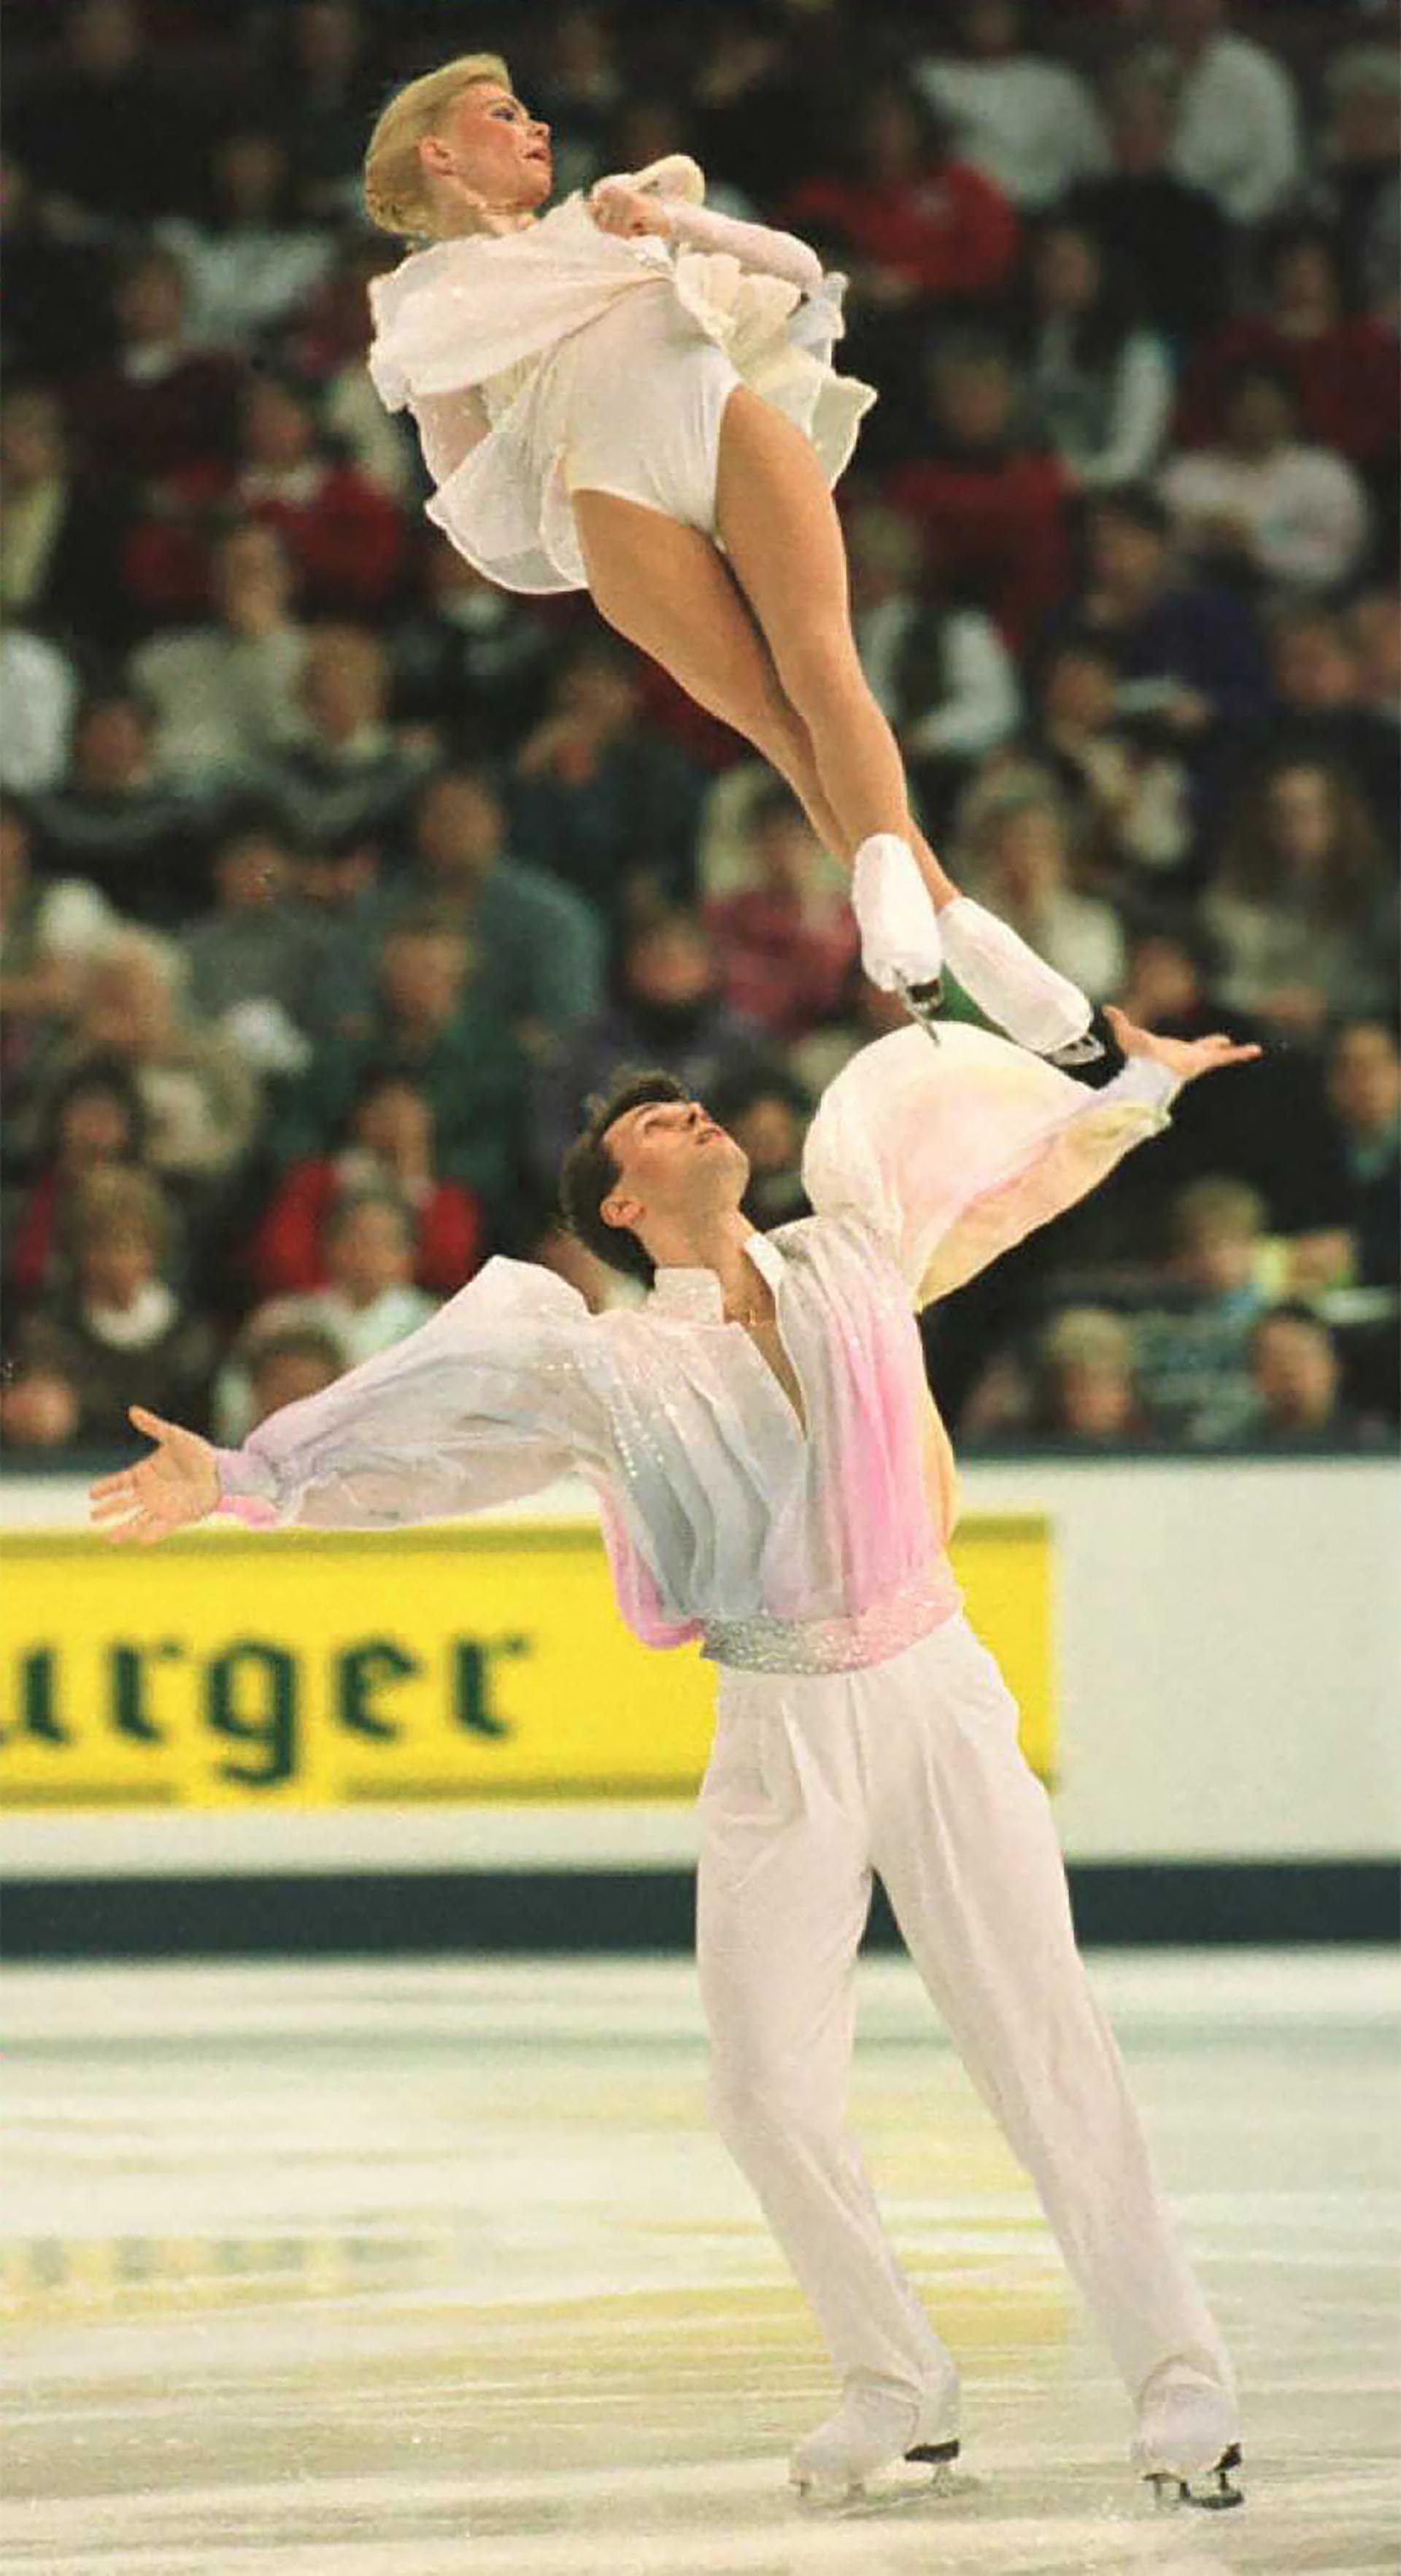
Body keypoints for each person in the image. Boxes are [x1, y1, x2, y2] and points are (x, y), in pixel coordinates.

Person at [89, 928, 1259, 2513]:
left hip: (933, 1686)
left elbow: (1007, 1191)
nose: (691, 1115)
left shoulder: (857, 1250)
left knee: (1043, 2038)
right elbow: (431, 1449)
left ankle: (1181, 2384)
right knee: (764, 2085)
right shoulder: (615, 1367)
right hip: (776, 1725)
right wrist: (242, 1480)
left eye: (693, 1107)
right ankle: (897, 2385)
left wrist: (1130, 1094)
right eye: (651, 1127)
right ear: (621, 1209)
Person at [358, 50, 1079, 1054]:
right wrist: (542, 473)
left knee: (826, 666)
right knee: (784, 733)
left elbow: (800, 271)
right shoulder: (420, 302)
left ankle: (940, 924)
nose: (539, 129)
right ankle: (959, 943)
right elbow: (468, 484)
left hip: (721, 415)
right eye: (505, 113)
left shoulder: (607, 211)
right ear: (439, 149)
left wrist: (675, 225)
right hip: (612, 489)